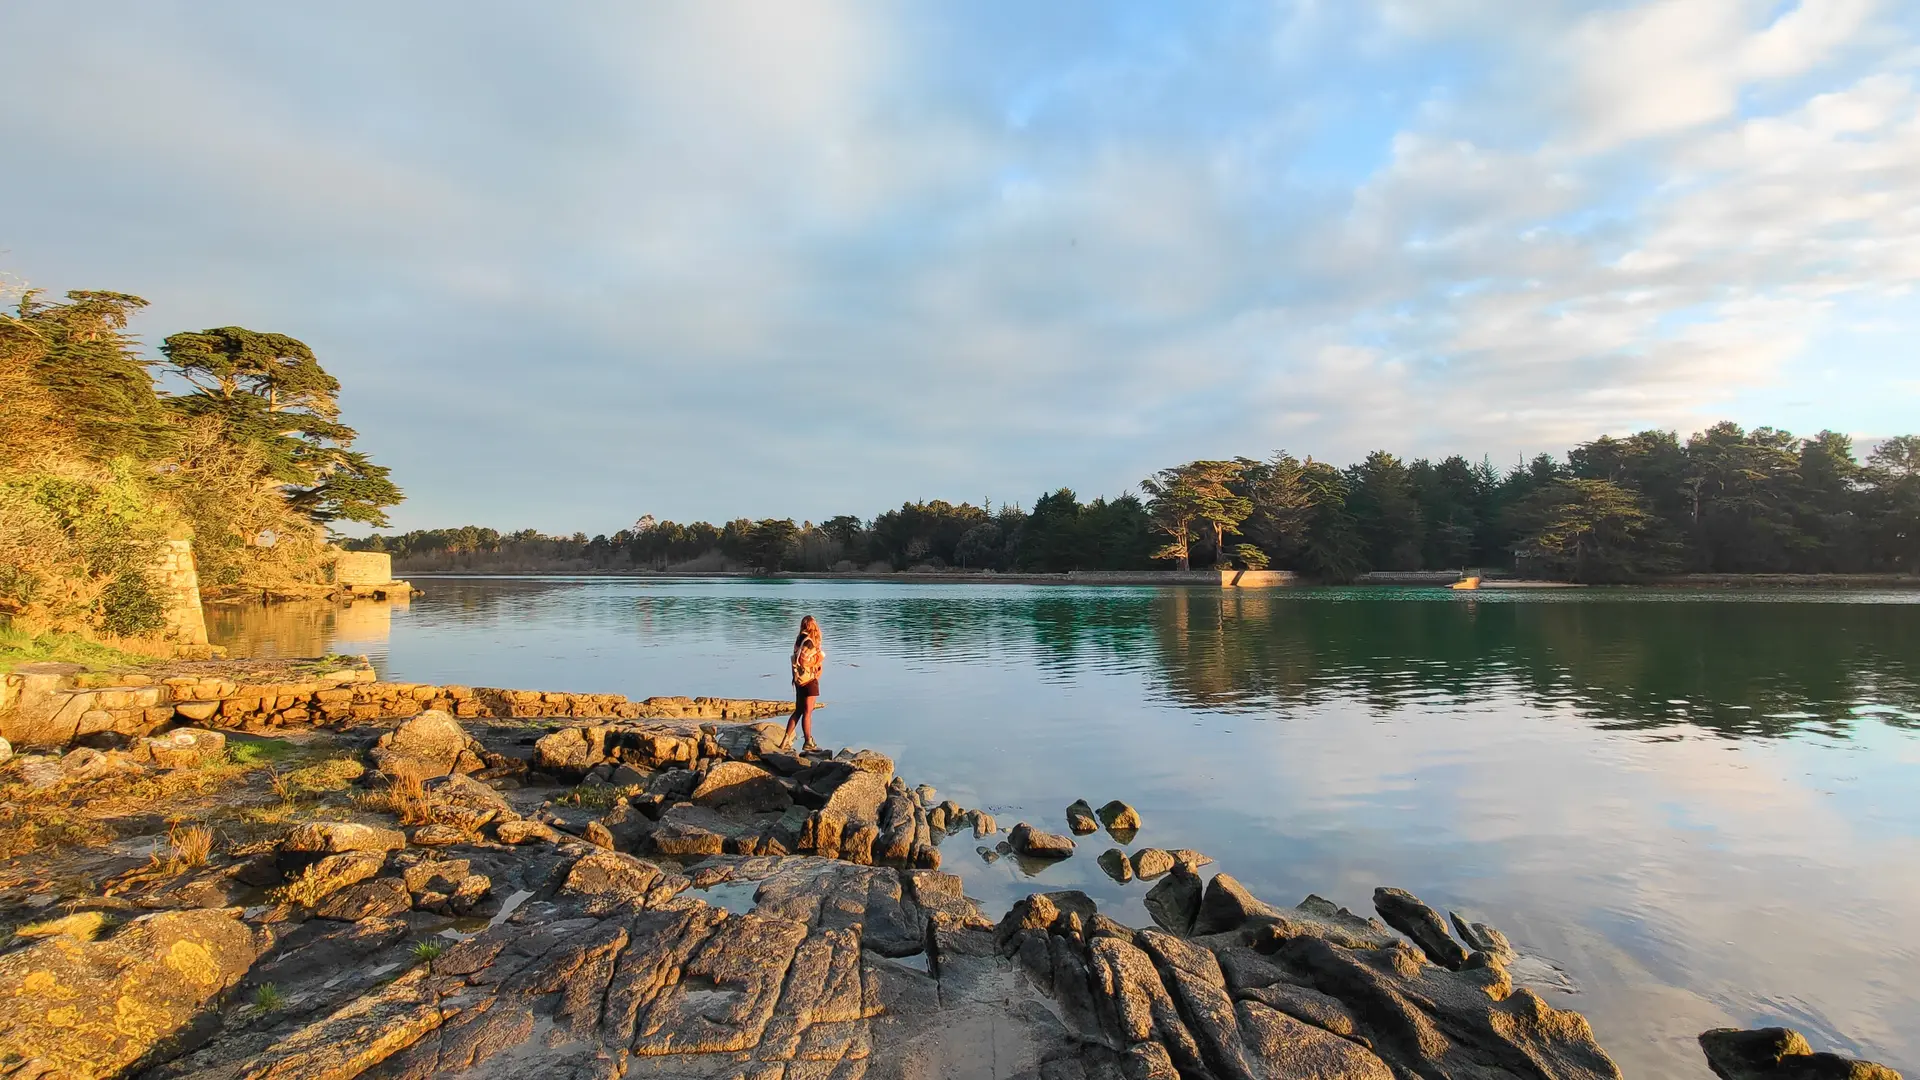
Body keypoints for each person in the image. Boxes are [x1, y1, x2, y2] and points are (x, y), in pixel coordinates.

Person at [784, 614, 824, 752]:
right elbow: (804, 660)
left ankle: (785, 740)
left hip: (799, 680)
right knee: (808, 712)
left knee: (799, 711)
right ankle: (808, 742)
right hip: (809, 680)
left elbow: (798, 658)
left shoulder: (799, 639)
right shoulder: (809, 641)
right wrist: (818, 662)